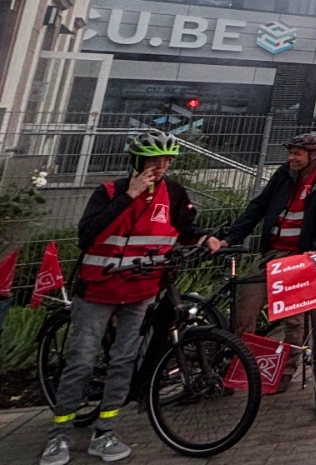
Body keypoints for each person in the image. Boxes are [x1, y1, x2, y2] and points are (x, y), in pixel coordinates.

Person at [43, 133, 212, 465]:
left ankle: (105, 431)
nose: (160, 168)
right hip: (99, 291)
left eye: (166, 161)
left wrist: (206, 238)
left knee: (124, 361)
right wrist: (128, 197)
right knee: (81, 360)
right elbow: (87, 235)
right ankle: (58, 435)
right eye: (153, 161)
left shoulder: (173, 193)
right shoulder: (108, 192)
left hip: (140, 291)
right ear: (136, 161)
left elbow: (184, 229)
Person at [210, 134, 316, 353]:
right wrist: (230, 238)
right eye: (290, 153)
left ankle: (286, 373)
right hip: (271, 252)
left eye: (297, 154)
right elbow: (259, 205)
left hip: (300, 256)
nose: (290, 158)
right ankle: (238, 363)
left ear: (314, 155)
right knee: (245, 307)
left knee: (295, 319)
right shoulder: (285, 173)